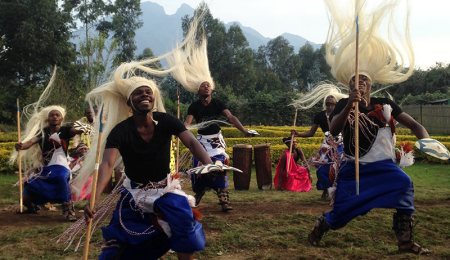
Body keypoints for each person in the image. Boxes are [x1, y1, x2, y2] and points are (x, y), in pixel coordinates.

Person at [308, 0, 430, 255]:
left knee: (404, 185)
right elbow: (333, 130)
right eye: (355, 80)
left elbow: (414, 124)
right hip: (356, 168)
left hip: (384, 167)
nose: (360, 83)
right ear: (350, 84)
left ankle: (405, 241)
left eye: (364, 80)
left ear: (371, 85)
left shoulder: (385, 104)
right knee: (342, 212)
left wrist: (427, 141)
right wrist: (349, 106)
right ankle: (323, 224)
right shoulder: (344, 103)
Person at [80, 67, 213, 259]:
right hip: (134, 194)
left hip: (165, 190)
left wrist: (210, 164)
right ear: (129, 102)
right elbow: (107, 165)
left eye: (148, 92)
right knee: (121, 244)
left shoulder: (166, 121)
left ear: (153, 98)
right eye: (138, 92)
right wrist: (95, 198)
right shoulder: (120, 131)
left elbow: (192, 142)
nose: (144, 95)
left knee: (183, 220)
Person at [166, 12, 258, 212]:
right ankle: (197, 196)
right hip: (201, 142)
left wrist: (243, 131)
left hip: (216, 141)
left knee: (218, 165)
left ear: (212, 88)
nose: (206, 88)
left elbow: (230, 117)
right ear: (198, 90)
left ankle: (223, 197)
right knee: (199, 170)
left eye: (208, 85)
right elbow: (188, 123)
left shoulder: (218, 102)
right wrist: (180, 130)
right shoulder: (194, 106)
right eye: (203, 86)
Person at [13, 105, 82, 221]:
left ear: (61, 119)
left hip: (62, 166)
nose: (54, 117)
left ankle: (69, 210)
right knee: (29, 184)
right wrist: (21, 146)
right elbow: (30, 142)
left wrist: (82, 128)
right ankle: (32, 206)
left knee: (60, 178)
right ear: (48, 119)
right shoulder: (43, 132)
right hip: (47, 168)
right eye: (51, 115)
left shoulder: (66, 130)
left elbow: (75, 131)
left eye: (57, 115)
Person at [291, 87, 346, 199]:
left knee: (341, 167)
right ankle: (325, 190)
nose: (330, 106)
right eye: (328, 104)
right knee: (322, 168)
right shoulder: (320, 116)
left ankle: (339, 191)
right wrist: (298, 134)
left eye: (333, 104)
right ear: (325, 104)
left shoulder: (341, 114)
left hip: (340, 143)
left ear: (336, 104)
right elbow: (311, 132)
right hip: (326, 144)